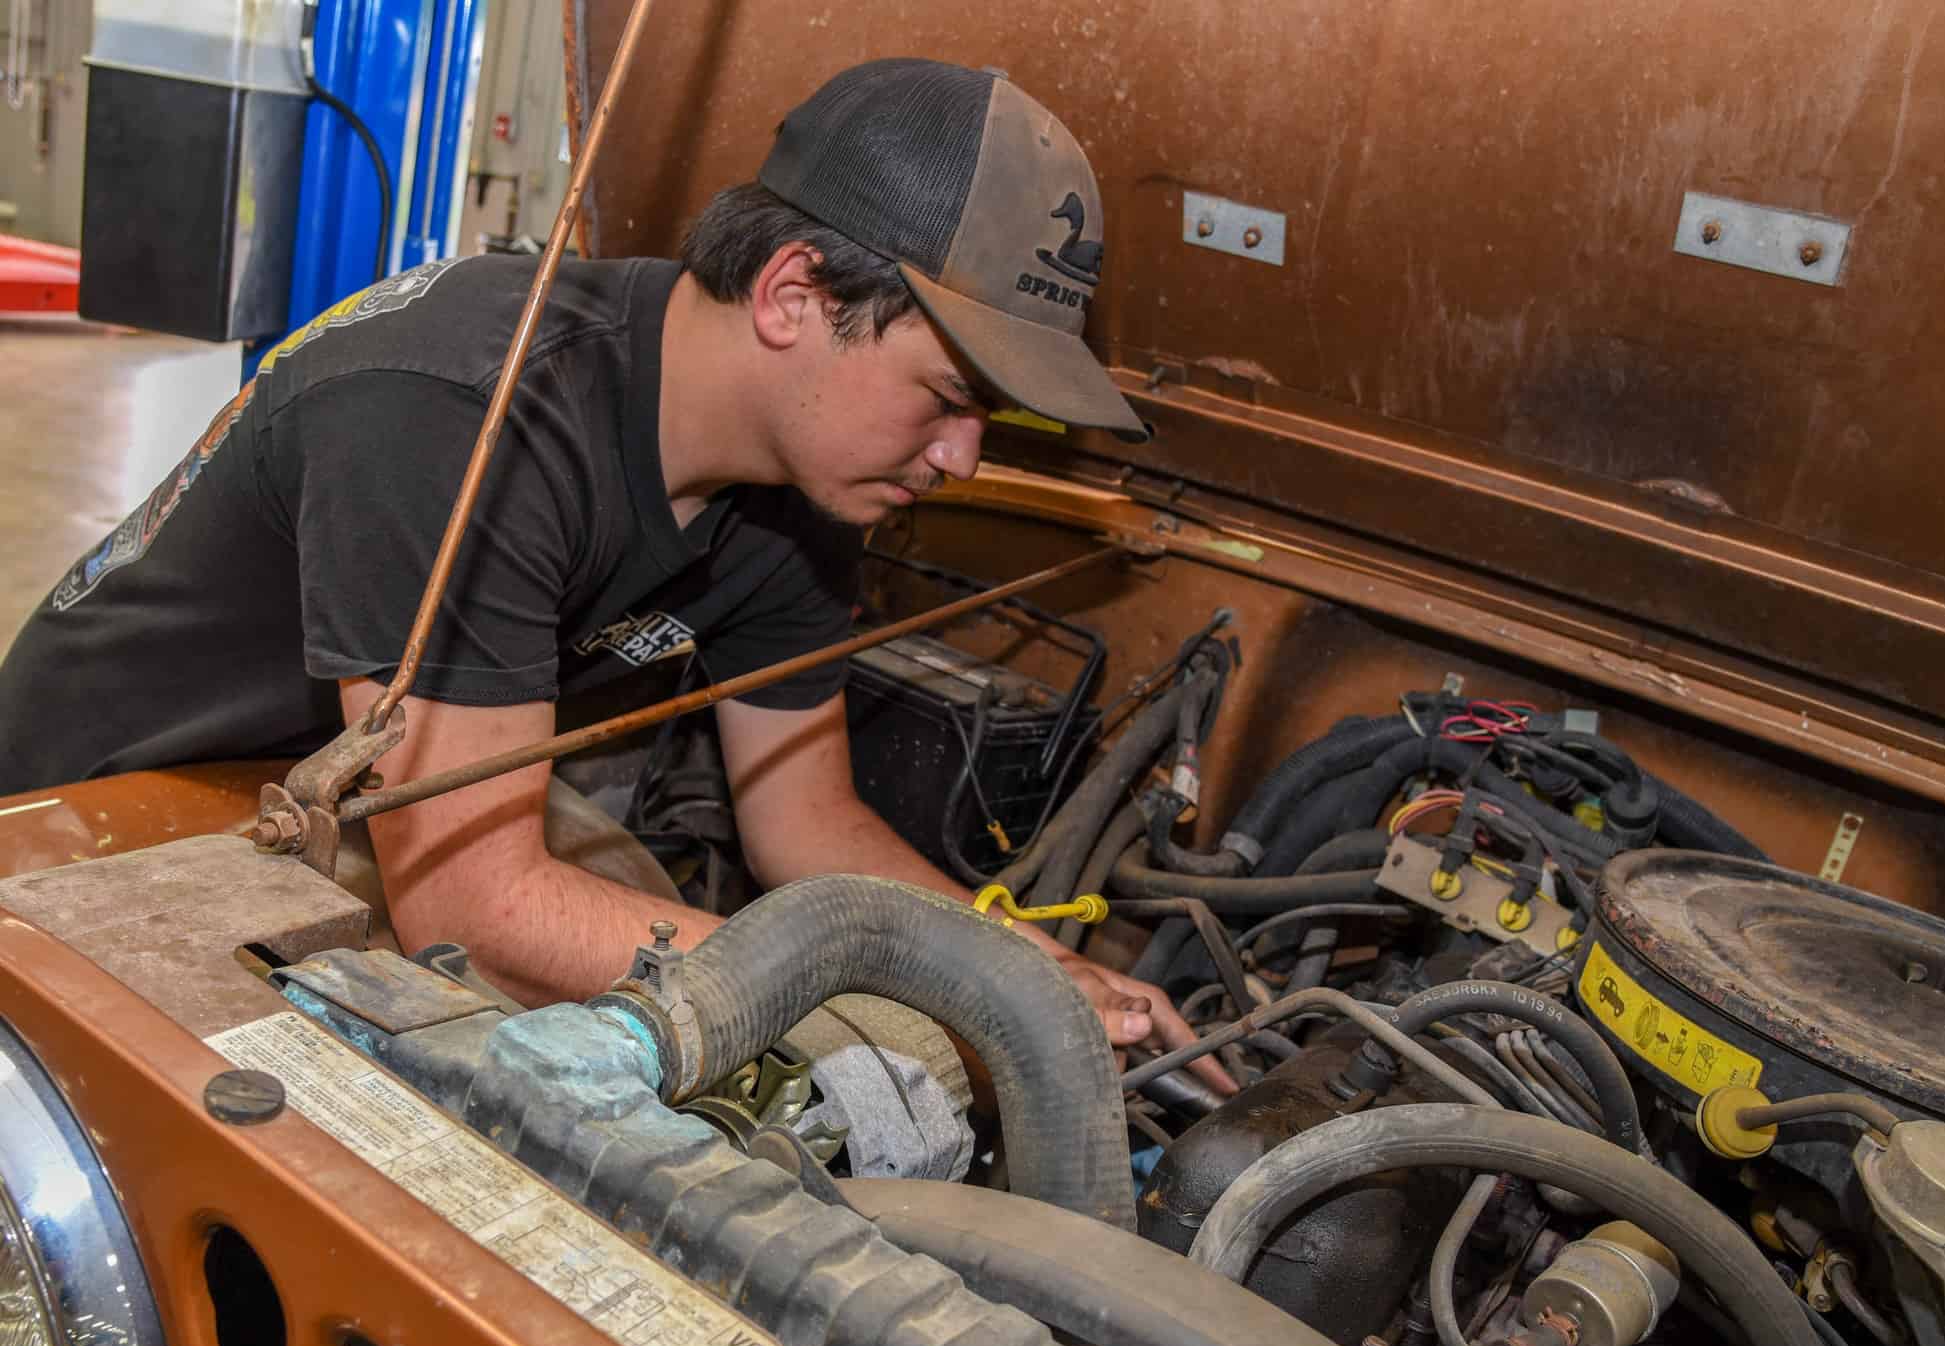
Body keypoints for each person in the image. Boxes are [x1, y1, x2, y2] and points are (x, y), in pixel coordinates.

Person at [0, 58, 1232, 1092]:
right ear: (795, 293)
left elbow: (807, 822)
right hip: (89, 826)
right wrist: (908, 993)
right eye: (952, 399)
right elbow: (472, 909)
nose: (961, 458)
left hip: (327, 811)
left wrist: (1005, 961)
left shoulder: (798, 491)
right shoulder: (464, 415)